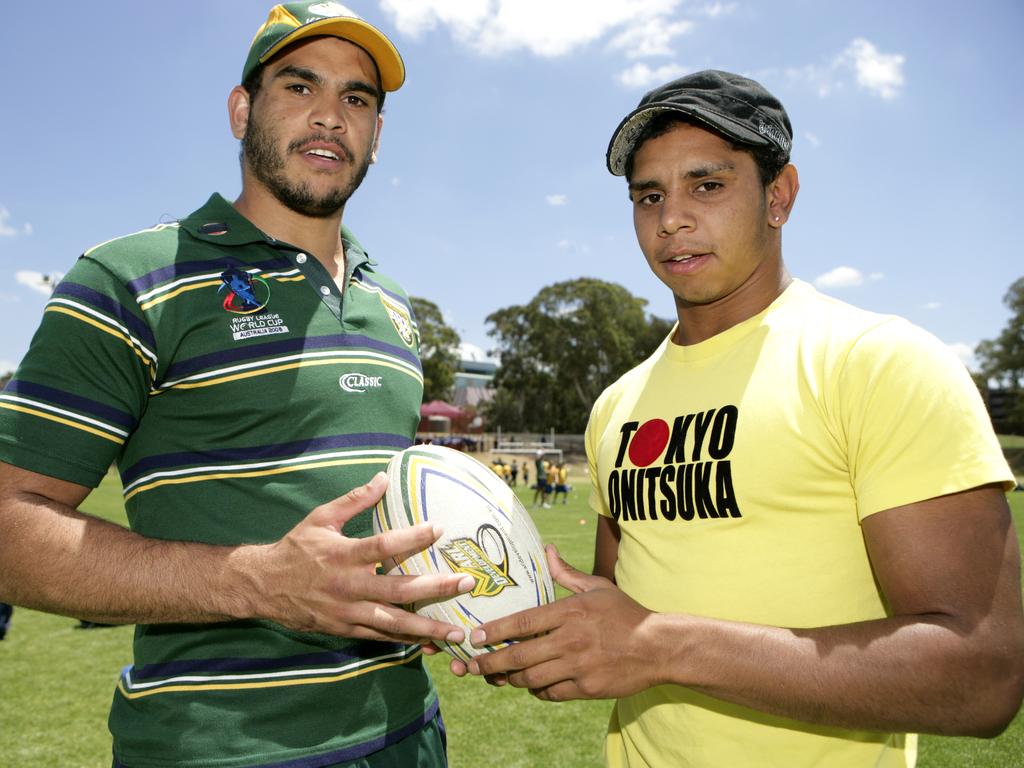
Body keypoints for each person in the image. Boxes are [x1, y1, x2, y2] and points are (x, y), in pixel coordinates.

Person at [462, 70, 1024, 767]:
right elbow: (622, 608)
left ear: (778, 195)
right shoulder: (617, 406)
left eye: (708, 185)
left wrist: (662, 646)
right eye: (649, 196)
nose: (672, 219)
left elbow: (985, 675)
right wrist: (509, 617)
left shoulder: (878, 363)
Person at [0, 4, 475, 767]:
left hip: (408, 735)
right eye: (299, 86)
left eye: (357, 99)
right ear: (241, 110)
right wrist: (255, 583)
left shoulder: (395, 311)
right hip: (218, 750)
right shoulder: (132, 279)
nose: (330, 116)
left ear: (377, 136)